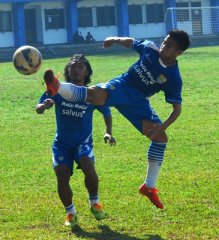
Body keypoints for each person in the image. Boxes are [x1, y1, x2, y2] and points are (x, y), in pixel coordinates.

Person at [42, 29, 190, 209]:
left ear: (178, 53)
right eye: (165, 42)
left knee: (160, 139)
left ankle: (149, 187)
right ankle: (58, 87)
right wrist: (113, 39)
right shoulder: (151, 48)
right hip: (123, 85)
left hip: (138, 101)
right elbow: (131, 41)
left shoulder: (174, 77)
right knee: (98, 96)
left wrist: (163, 127)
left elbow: (177, 109)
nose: (164, 46)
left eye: (170, 45)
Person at [36, 54, 116, 227]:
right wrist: (45, 105)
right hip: (62, 144)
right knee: (62, 176)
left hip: (83, 142)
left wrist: (108, 132)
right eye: (72, 66)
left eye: (80, 66)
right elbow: (38, 108)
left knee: (88, 166)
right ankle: (70, 213)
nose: (76, 69)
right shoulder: (58, 90)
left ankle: (94, 202)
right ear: (68, 71)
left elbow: (107, 113)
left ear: (87, 71)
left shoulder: (92, 93)